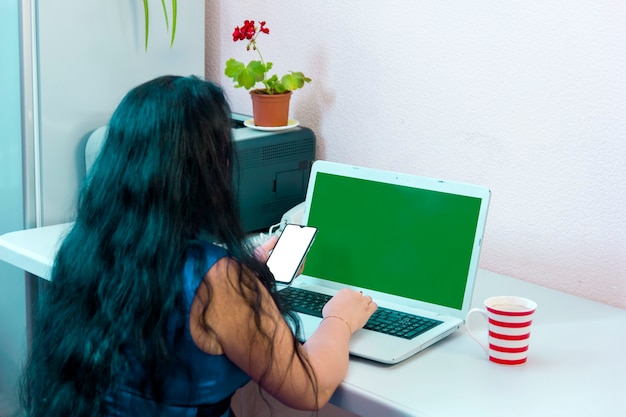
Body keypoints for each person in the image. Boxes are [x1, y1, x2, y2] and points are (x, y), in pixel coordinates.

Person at [19, 75, 377, 417]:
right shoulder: (217, 282)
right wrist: (339, 319)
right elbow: (309, 387)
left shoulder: (87, 250)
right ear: (206, 170)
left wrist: (244, 271)